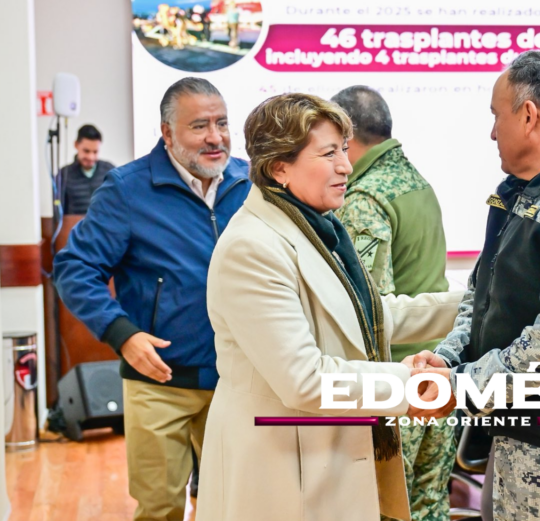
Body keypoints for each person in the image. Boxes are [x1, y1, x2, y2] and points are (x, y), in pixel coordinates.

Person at [197, 92, 463, 521]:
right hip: (282, 471)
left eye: (343, 149)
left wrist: (476, 303)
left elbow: (368, 317)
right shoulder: (253, 248)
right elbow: (305, 379)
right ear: (279, 167)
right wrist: (409, 383)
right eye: (328, 154)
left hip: (326, 458)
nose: (346, 166)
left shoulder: (316, 226)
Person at [408, 50, 540, 521]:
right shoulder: (521, 190)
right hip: (512, 430)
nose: (493, 133)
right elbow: (482, 296)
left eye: (497, 116)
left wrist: (462, 385)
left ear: (529, 115)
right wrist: (448, 358)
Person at [53, 77, 250, 521]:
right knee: (159, 509)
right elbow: (75, 268)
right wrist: (122, 334)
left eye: (221, 123)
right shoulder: (127, 189)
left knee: (236, 506)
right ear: (167, 132)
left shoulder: (249, 181)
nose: (215, 137)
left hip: (237, 381)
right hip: (159, 381)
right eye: (199, 126)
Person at [330, 85, 455, 521]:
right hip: (439, 371)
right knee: (429, 505)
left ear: (346, 137)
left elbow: (371, 309)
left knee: (386, 510)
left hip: (400, 383)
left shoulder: (364, 198)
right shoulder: (415, 181)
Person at [58, 123, 115, 214]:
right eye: (86, 151)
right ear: (76, 145)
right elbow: (60, 213)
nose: (91, 157)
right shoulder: (64, 174)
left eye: (95, 152)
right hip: (75, 223)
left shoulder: (110, 170)